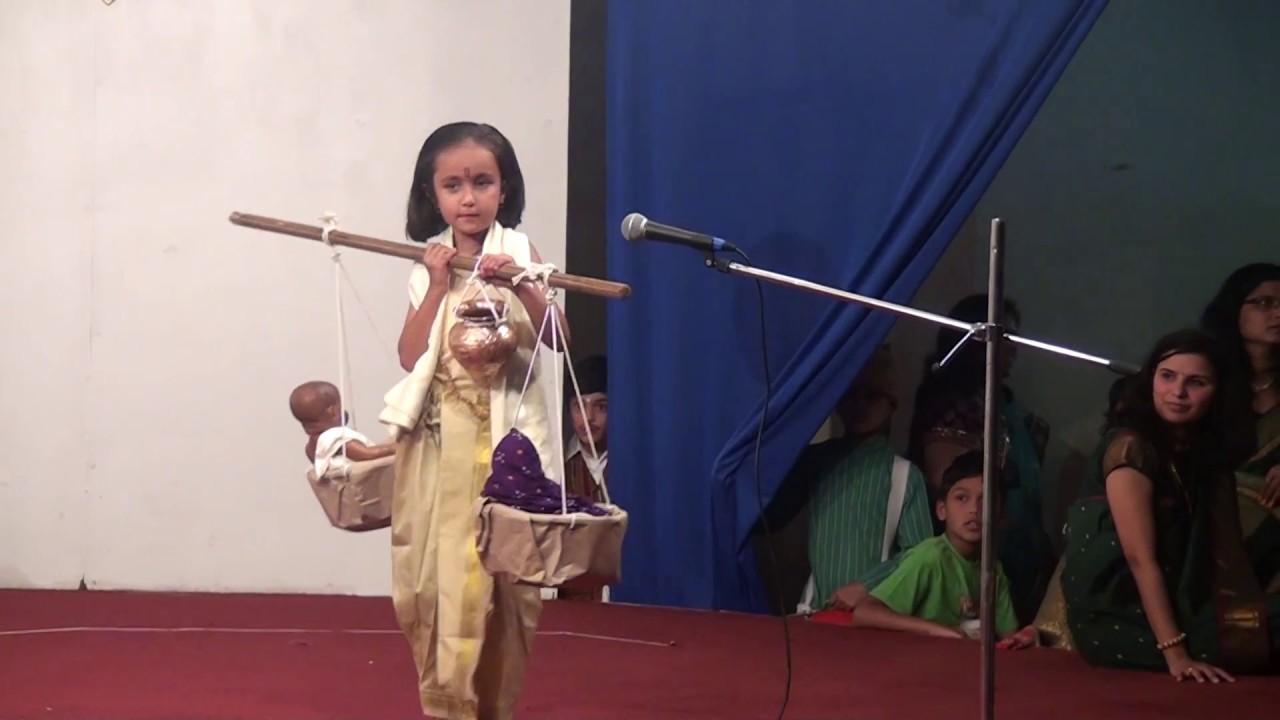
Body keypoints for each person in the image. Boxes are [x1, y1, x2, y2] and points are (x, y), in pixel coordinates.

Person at [379, 121, 567, 720]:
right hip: (438, 447)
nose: (468, 199)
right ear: (431, 195)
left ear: (504, 189)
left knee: (504, 589)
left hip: (506, 449)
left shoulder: (521, 252)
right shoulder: (428, 264)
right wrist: (438, 284)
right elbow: (410, 356)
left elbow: (559, 340)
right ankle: (444, 704)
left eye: (482, 183)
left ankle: (491, 709)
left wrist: (525, 284)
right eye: (453, 186)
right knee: (428, 582)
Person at [1062, 329, 1279, 682]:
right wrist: (1177, 654)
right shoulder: (1131, 447)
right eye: (1167, 376)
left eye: (1196, 382)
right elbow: (1140, 559)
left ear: (1219, 391)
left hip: (1188, 604)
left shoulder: (1201, 452)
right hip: (1125, 617)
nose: (1178, 392)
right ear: (1150, 379)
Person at [907, 294, 1055, 625]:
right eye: (1006, 337)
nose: (1014, 348)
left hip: (1015, 554)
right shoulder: (952, 402)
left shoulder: (1005, 407)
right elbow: (948, 478)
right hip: (974, 553)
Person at [849, 450, 1035, 649]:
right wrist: (937, 631)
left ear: (1001, 516)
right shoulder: (930, 557)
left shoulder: (993, 570)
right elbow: (865, 613)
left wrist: (1027, 635)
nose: (974, 509)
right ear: (942, 510)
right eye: (962, 498)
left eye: (986, 500)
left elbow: (1008, 637)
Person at [803, 345, 933, 608]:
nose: (860, 405)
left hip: (873, 615)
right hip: (816, 610)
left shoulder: (905, 476)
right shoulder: (817, 461)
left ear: (891, 403)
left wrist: (866, 585)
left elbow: (921, 556)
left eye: (872, 396)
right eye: (851, 394)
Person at [1201, 262, 1280, 592]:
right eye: (1264, 303)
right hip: (1205, 532)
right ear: (1234, 309)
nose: (1277, 313)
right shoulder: (1204, 379)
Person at [288, 380, 395, 477]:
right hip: (369, 485)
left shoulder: (311, 447)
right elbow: (368, 454)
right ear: (333, 412)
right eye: (340, 406)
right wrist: (397, 447)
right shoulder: (335, 437)